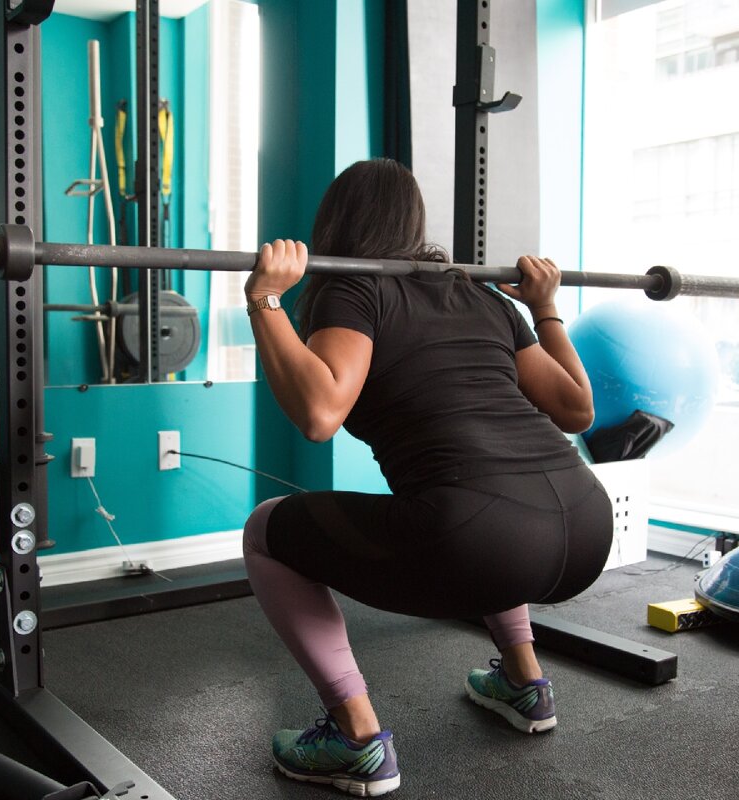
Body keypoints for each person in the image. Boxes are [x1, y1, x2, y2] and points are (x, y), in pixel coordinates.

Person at [240, 158, 613, 797]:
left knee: (265, 530)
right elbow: (578, 409)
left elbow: (320, 414)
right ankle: (524, 682)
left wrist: (264, 300)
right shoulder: (481, 295)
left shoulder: (354, 288)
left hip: (486, 533)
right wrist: (545, 308)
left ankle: (355, 739)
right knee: (478, 498)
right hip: (587, 523)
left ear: (334, 221)